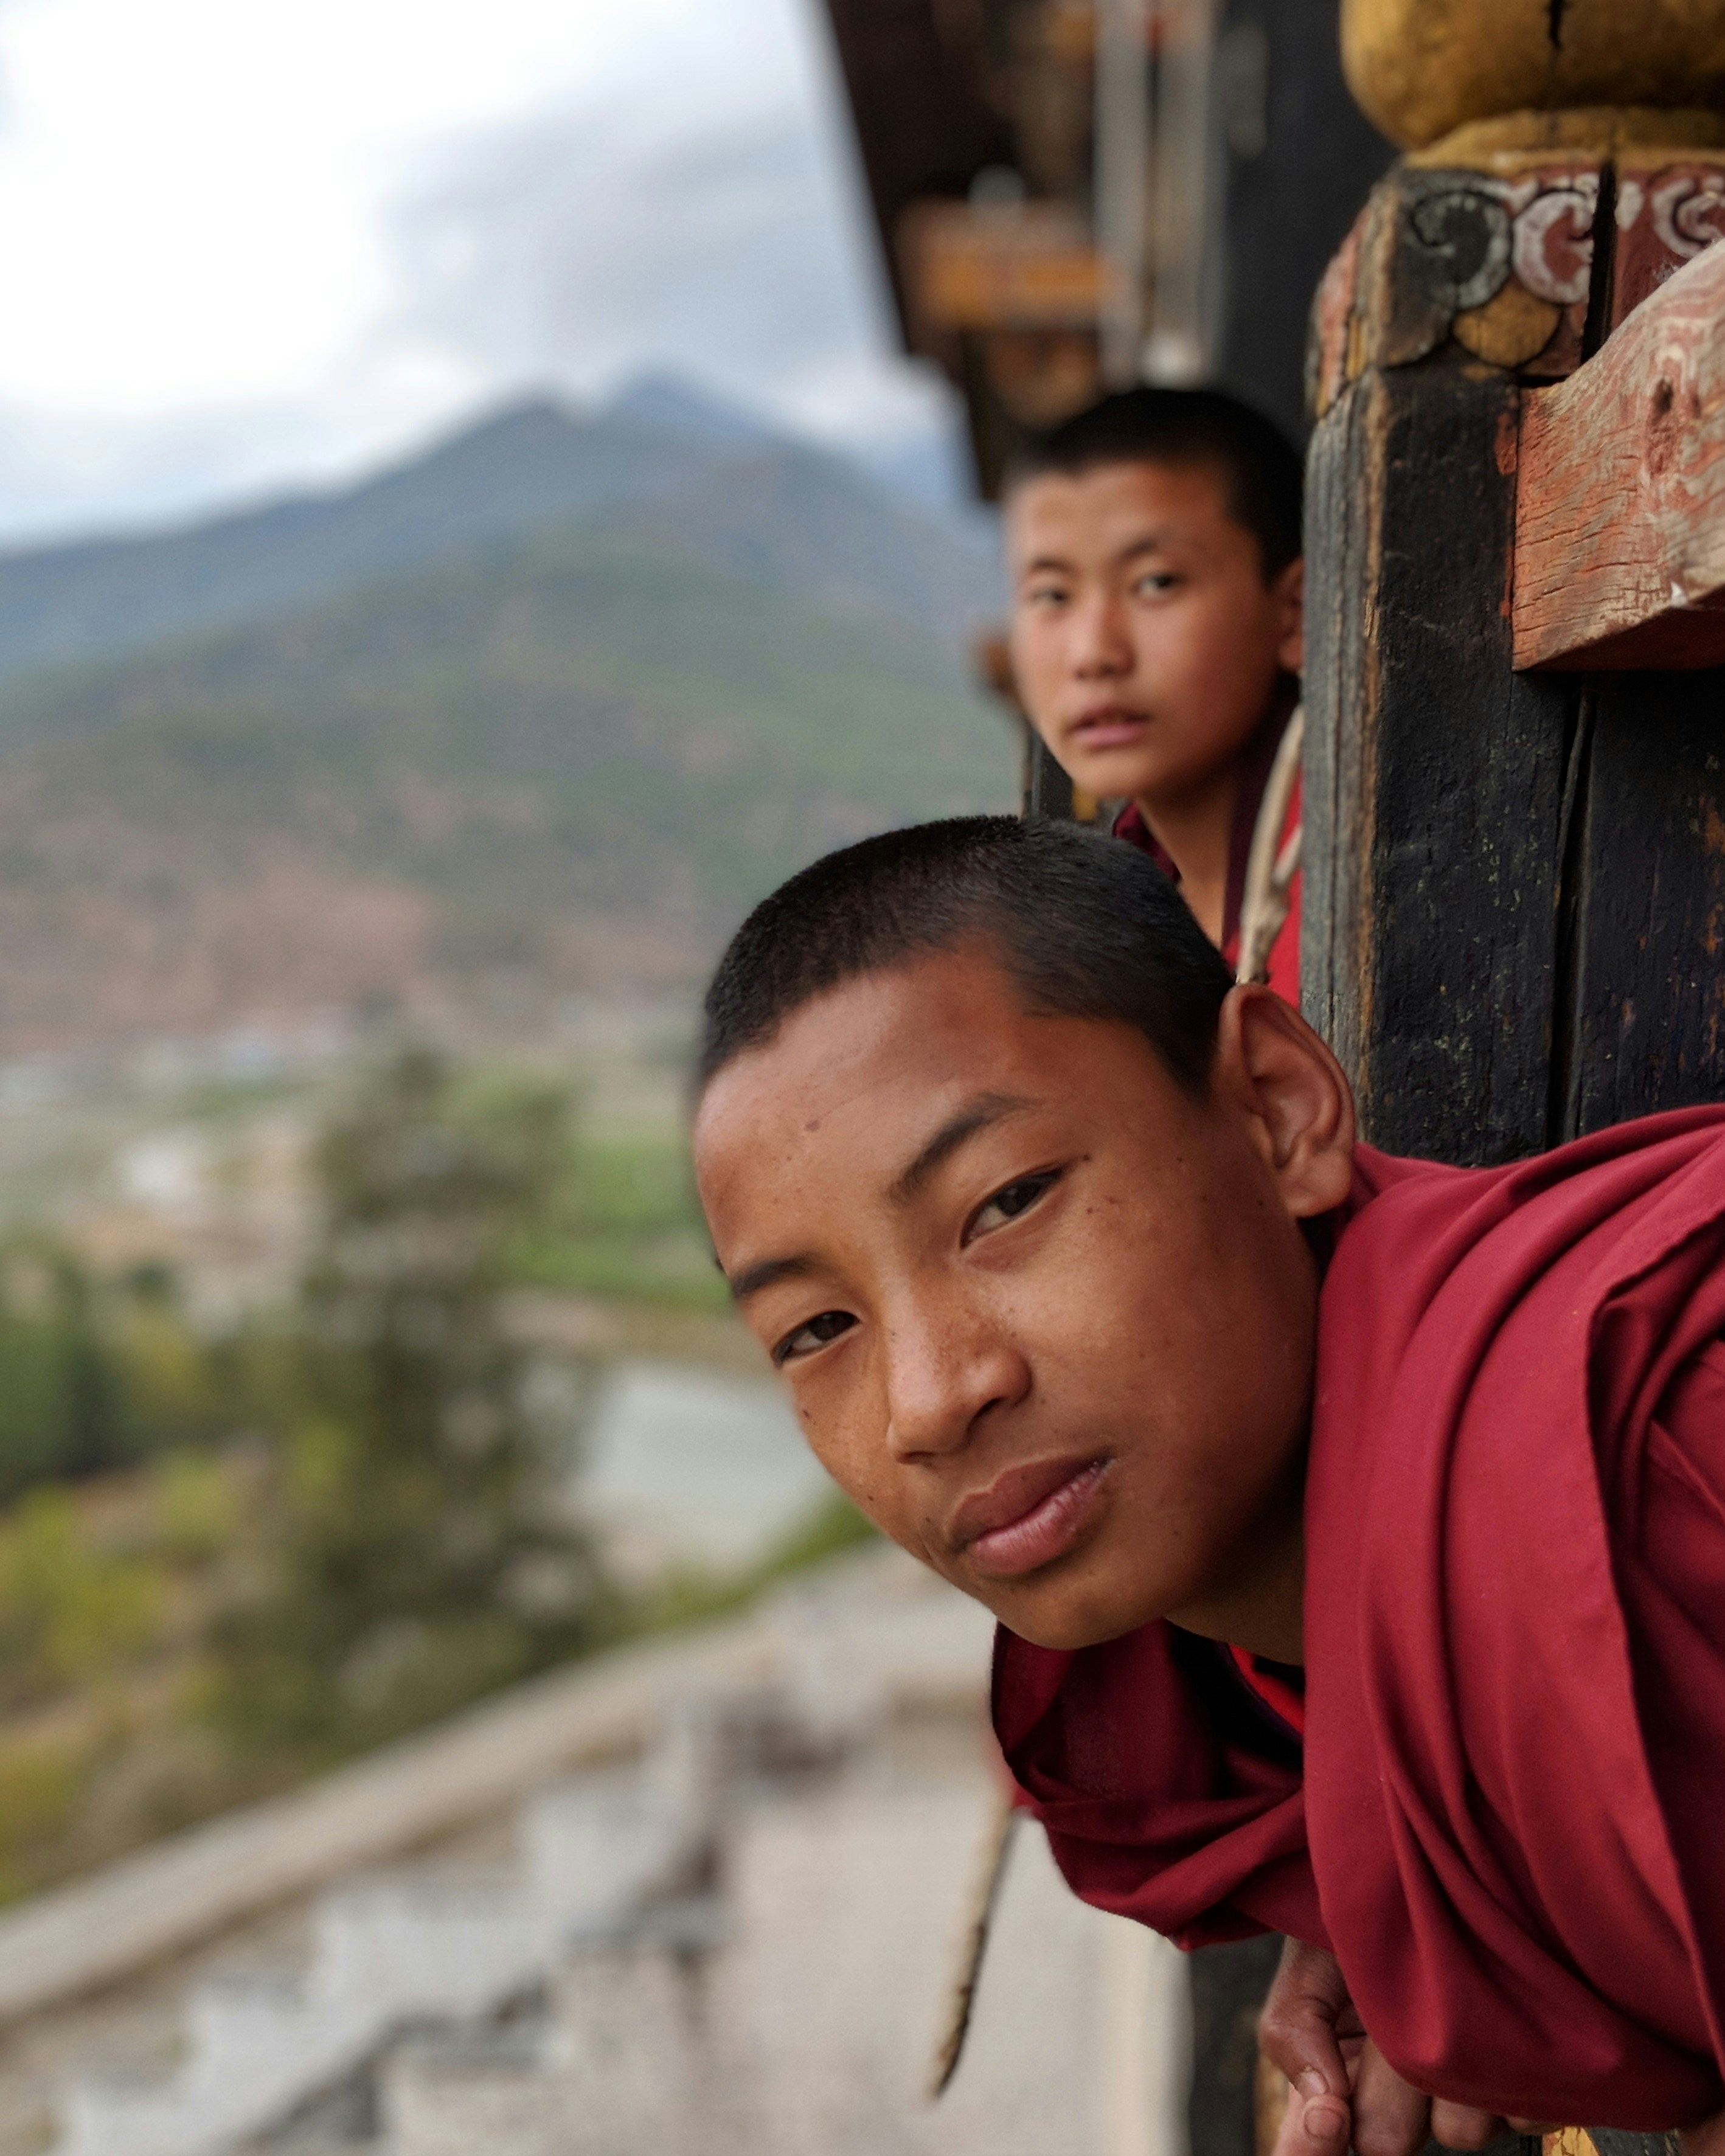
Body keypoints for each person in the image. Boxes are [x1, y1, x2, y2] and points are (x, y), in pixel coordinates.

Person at [692, 814, 1725, 2155]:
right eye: (817, 1330)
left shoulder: (1657, 1441)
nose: (929, 1399)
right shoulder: (1254, 1698)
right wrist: (1401, 1874)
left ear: (1276, 1107)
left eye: (1004, 1203)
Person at [1004, 387, 1304, 997]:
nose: (1093, 654)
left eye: (1156, 583)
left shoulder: (1362, 874)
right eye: (1052, 594)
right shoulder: (1125, 905)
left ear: (1293, 612)